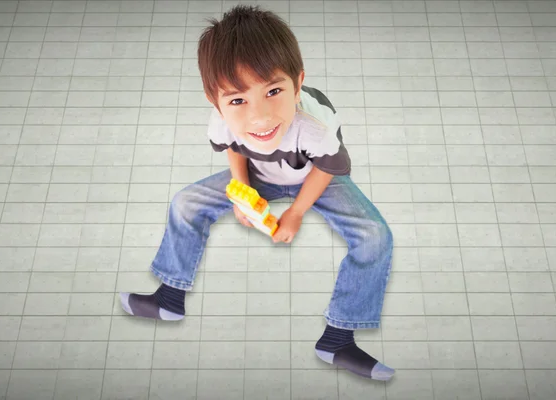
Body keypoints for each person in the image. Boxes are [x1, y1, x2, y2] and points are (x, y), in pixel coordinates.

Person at [120, 5, 395, 381]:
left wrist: (296, 212)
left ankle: (338, 338)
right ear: (214, 99)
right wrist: (242, 190)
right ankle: (169, 298)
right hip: (260, 173)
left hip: (314, 175)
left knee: (375, 235)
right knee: (186, 202)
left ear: (298, 84)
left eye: (274, 91)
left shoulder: (316, 127)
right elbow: (235, 148)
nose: (260, 117)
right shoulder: (221, 122)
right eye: (237, 100)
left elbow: (329, 167)